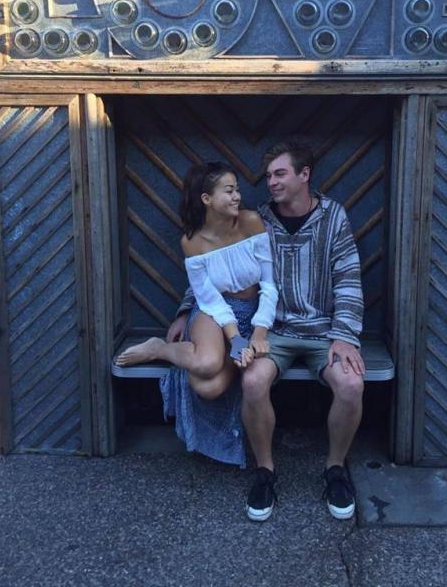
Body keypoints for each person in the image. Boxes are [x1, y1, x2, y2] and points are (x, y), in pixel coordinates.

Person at [169, 140, 365, 520]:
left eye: (280, 174)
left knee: (352, 384)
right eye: (269, 175)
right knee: (253, 381)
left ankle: (336, 469)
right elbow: (214, 269)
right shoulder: (256, 219)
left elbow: (348, 277)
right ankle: (265, 472)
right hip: (272, 328)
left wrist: (344, 334)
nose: (271, 182)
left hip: (323, 329)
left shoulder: (333, 218)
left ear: (304, 175)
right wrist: (185, 310)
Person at [115, 161, 278, 467]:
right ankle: (159, 349)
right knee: (206, 364)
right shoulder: (192, 242)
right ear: (206, 199)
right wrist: (235, 339)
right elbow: (209, 298)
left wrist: (258, 332)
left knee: (208, 387)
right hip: (213, 312)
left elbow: (269, 285)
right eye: (228, 191)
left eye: (237, 190)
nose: (237, 196)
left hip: (253, 312)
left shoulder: (251, 222)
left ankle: (197, 356)